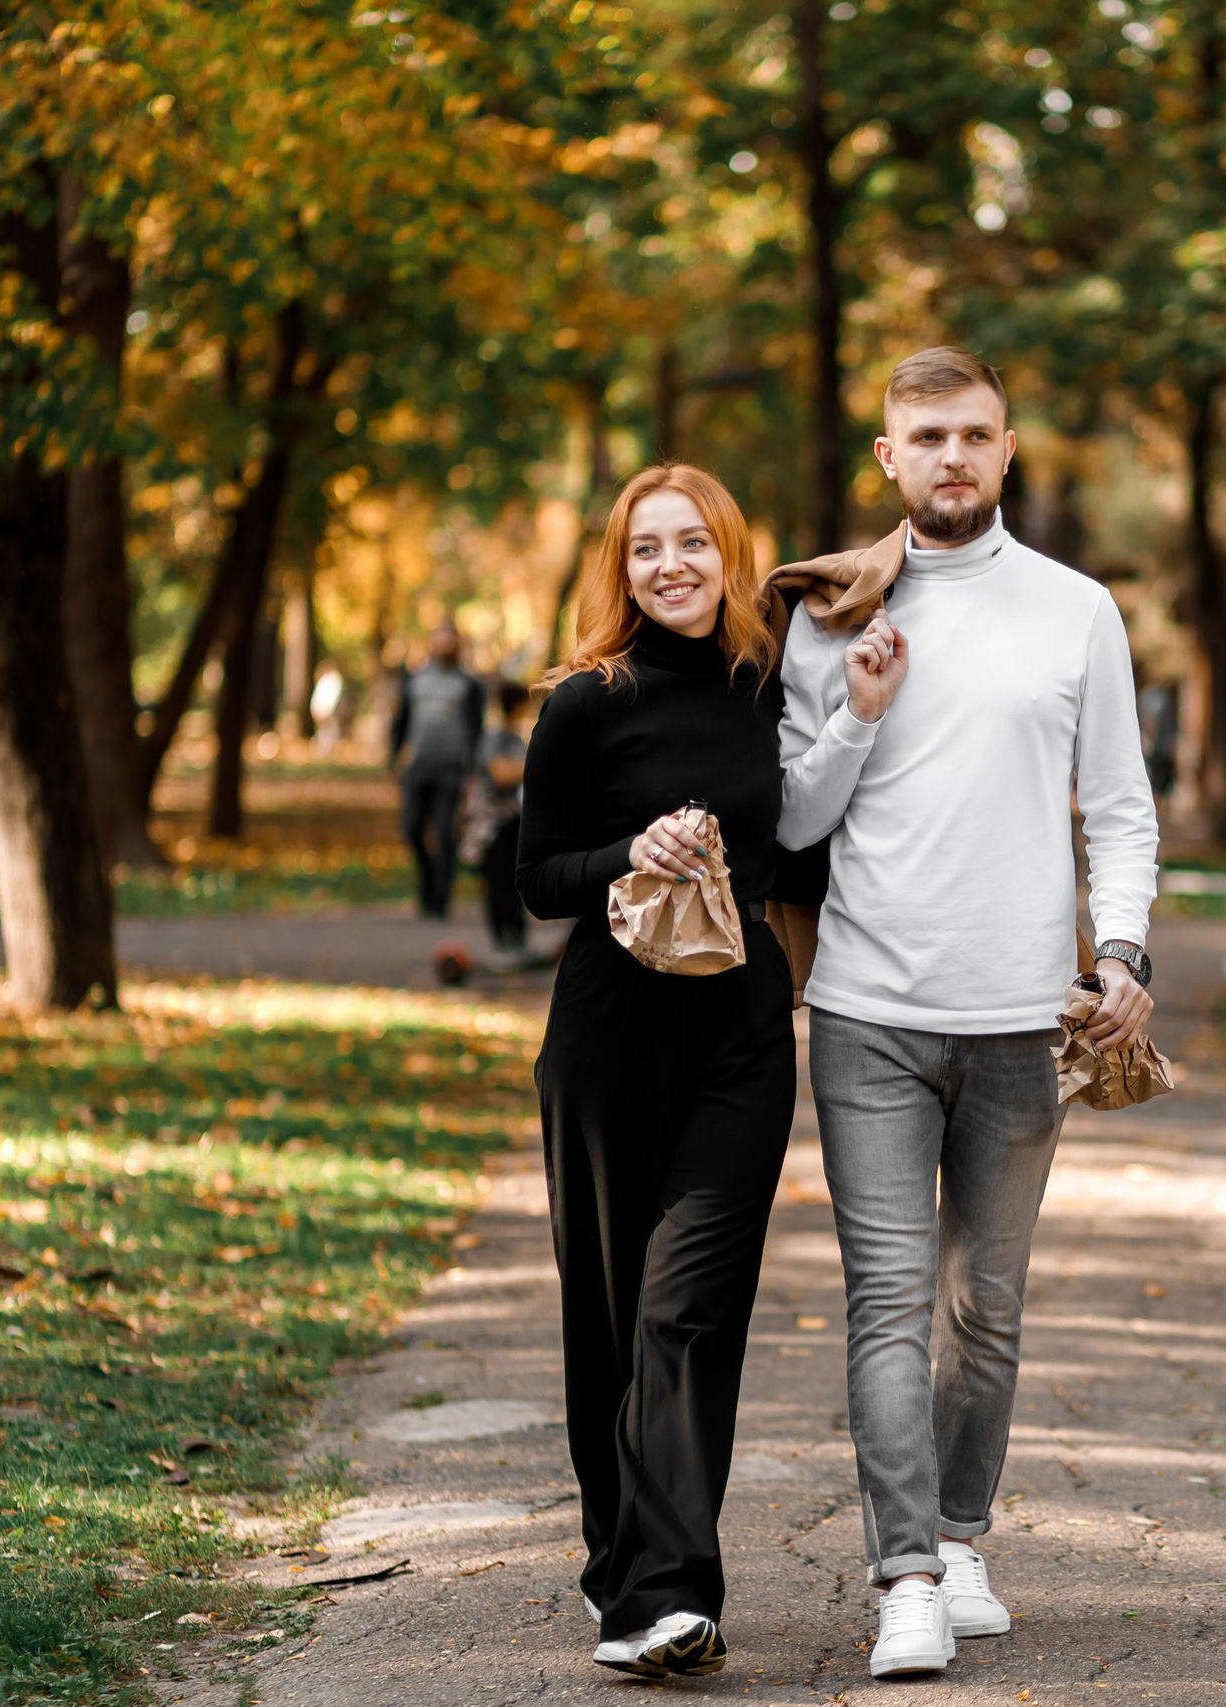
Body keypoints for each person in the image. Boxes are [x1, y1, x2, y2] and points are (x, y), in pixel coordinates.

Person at [775, 347, 1158, 1680]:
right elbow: (793, 821)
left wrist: (1124, 951)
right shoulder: (831, 610)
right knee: (888, 1301)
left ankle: (963, 1527)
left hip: (1019, 1022)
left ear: (1006, 454)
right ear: (888, 457)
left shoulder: (1077, 610)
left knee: (984, 1302)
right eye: (925, 434)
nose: (951, 455)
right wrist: (858, 715)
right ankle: (908, 1573)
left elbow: (1118, 805)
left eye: (974, 434)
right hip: (868, 1011)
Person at [519, 463, 907, 1680]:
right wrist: (628, 850)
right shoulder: (586, 703)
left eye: (694, 543)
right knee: (607, 1318)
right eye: (647, 549)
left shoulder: (764, 683)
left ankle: (672, 1596)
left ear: (730, 556)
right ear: (620, 568)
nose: (672, 565)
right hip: (605, 1038)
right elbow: (535, 881)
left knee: (686, 1309)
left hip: (739, 1037)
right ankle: (615, 1566)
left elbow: (794, 834)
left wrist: (855, 710)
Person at [388, 623, 483, 918]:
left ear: (456, 646)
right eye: (439, 641)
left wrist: (474, 771)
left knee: (444, 833)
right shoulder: (415, 680)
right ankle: (427, 883)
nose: (444, 646)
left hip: (452, 770)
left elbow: (477, 730)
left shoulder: (468, 684)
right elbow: (400, 723)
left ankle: (440, 899)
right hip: (418, 768)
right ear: (431, 643)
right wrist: (393, 759)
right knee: (412, 829)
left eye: (449, 642)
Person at [472, 679, 533, 965]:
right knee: (498, 882)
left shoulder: (516, 739)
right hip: (493, 823)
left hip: (514, 821)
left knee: (515, 881)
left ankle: (517, 940)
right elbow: (500, 773)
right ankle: (502, 941)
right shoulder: (496, 737)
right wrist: (534, 764)